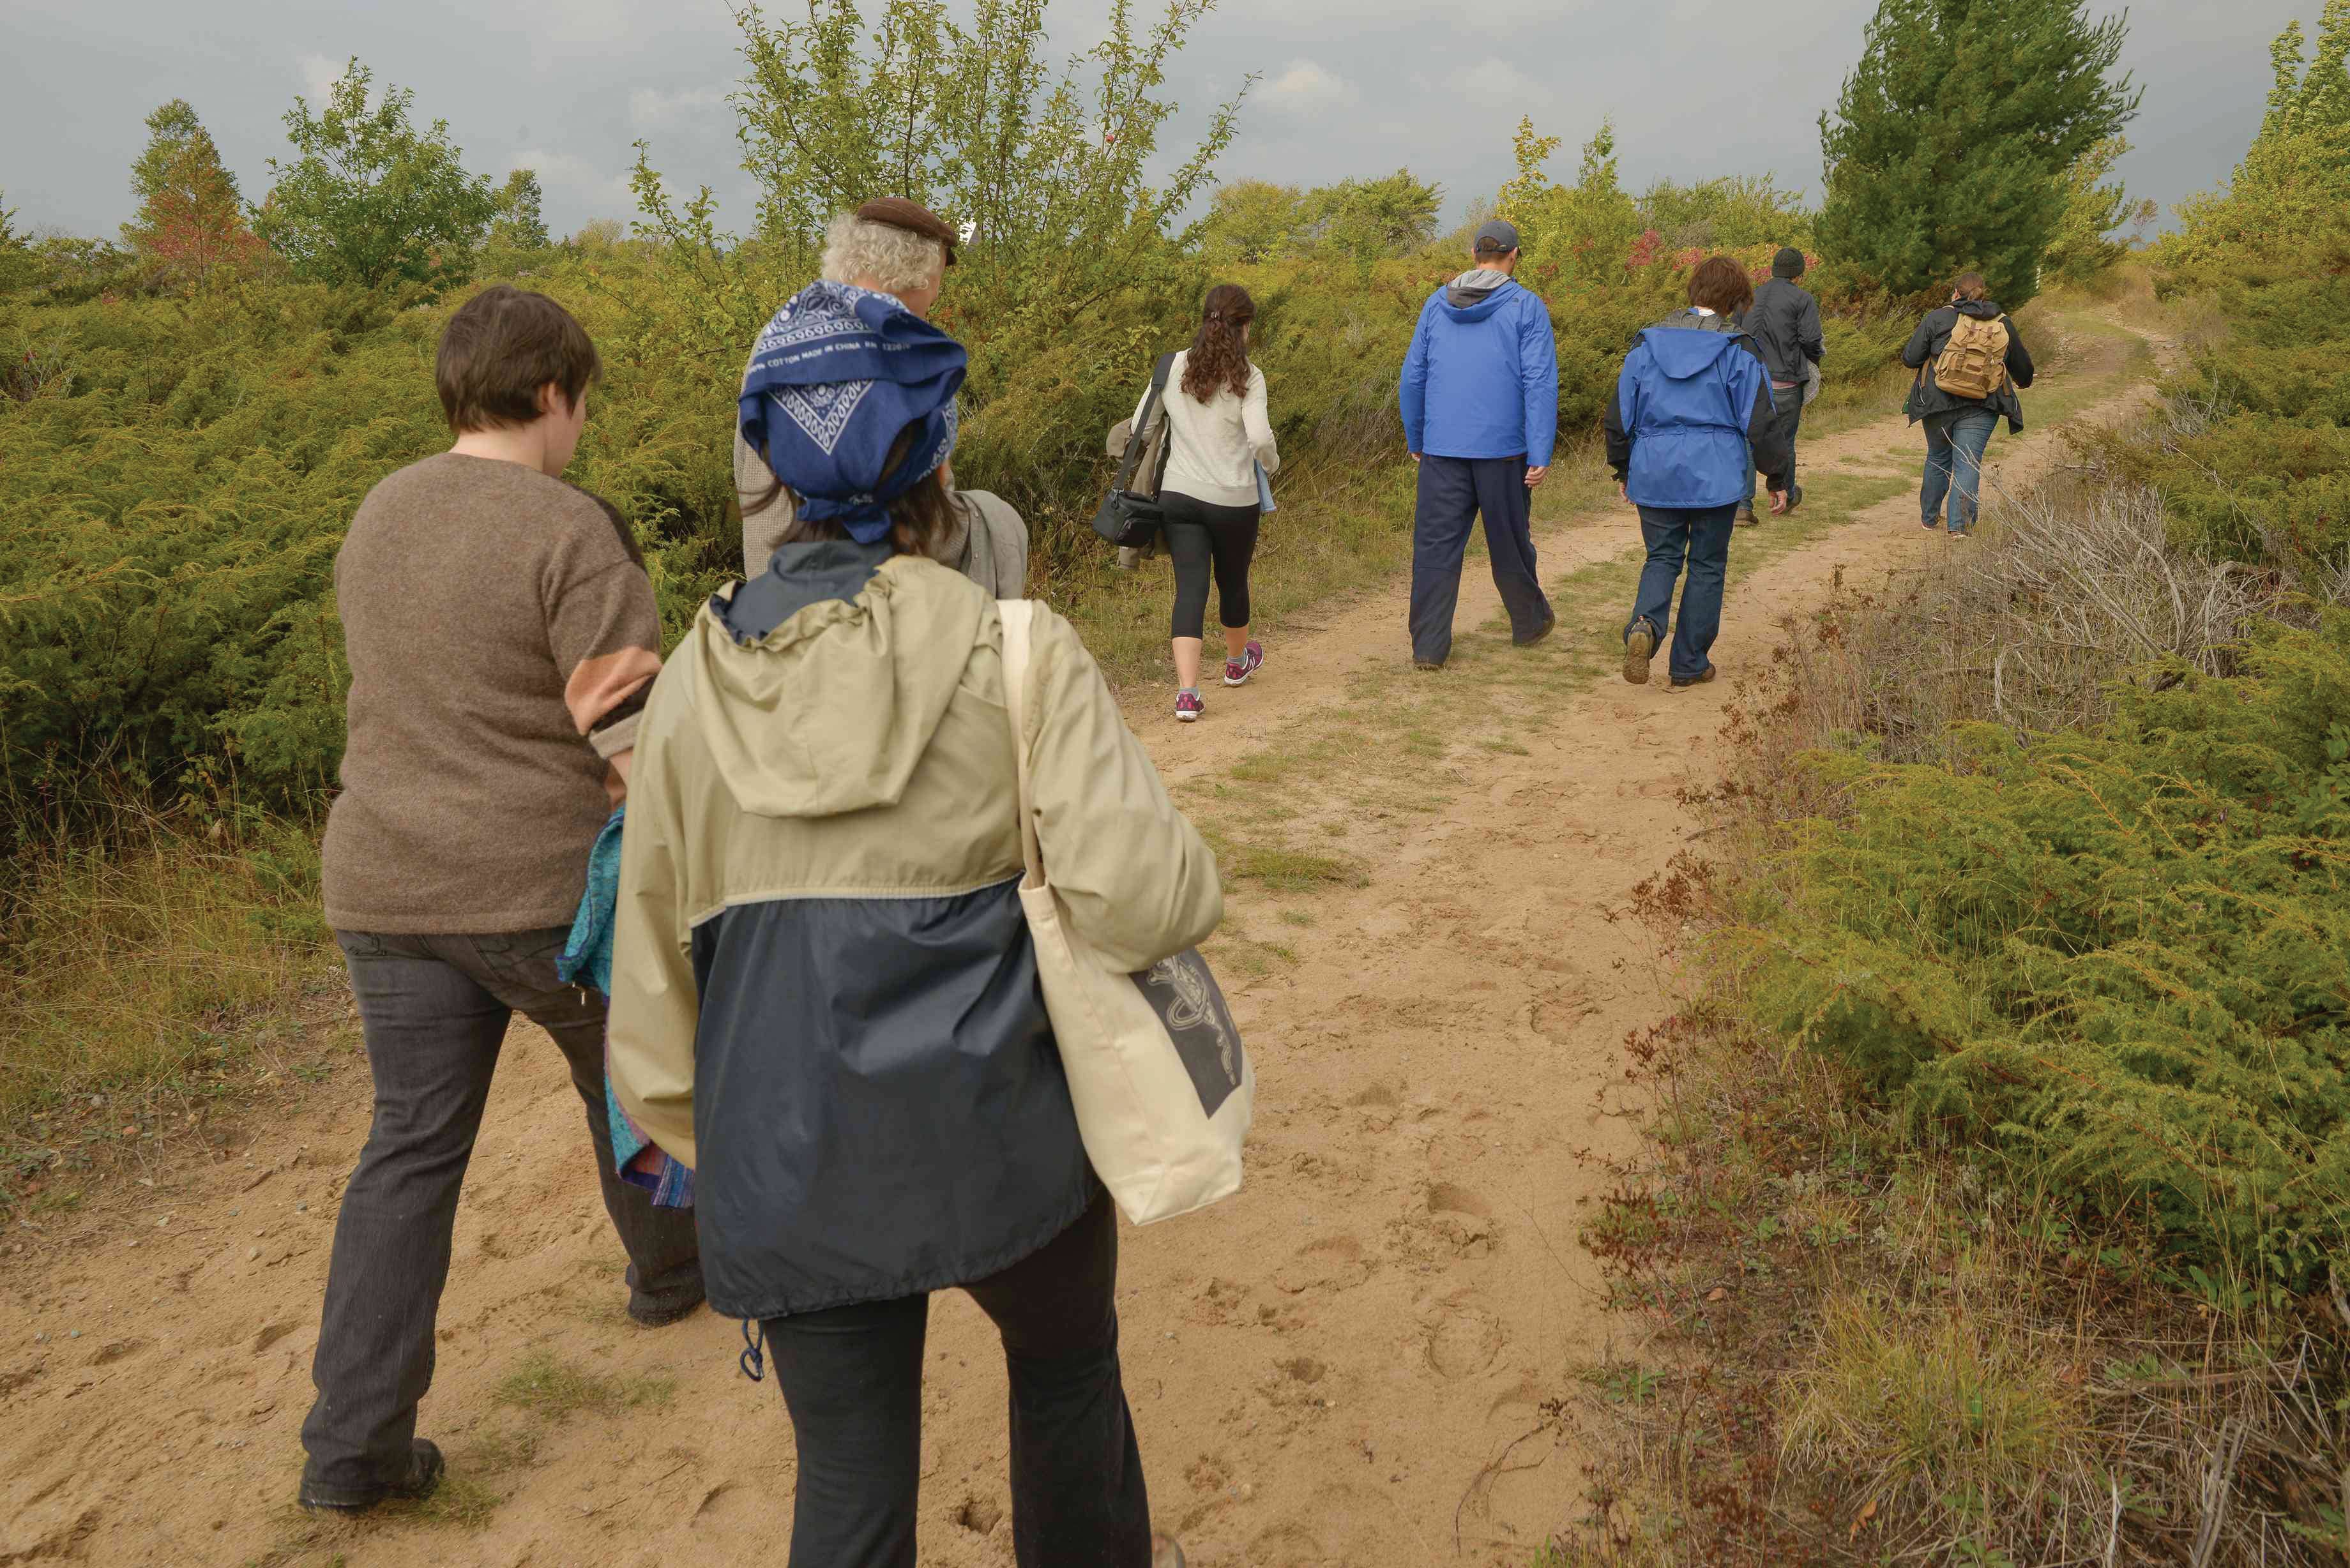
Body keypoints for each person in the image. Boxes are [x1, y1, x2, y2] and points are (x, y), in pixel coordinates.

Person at [609, 276, 1213, 1568]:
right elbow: (1148, 902)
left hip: (789, 1161)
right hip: (1012, 1151)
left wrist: (715, 1154)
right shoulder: (1017, 648)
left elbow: (653, 1011)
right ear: (936, 458)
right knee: (1065, 1386)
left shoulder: (681, 698)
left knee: (846, 1480)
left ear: (765, 462)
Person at [299, 286, 703, 1514]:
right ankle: (675, 1275)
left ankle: (351, 1450)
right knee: (637, 1075)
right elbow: (631, 731)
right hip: (537, 893)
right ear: (550, 395)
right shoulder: (566, 527)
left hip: (380, 880)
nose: (579, 426)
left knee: (408, 1151)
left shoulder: (379, 513)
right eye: (579, 403)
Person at [736, 197, 1027, 593]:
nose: (936, 296)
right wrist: (991, 521)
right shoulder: (908, 352)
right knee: (995, 517)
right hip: (880, 609)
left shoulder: (778, 337)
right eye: (940, 277)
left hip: (777, 592)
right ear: (920, 272)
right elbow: (928, 529)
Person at [1606, 257, 1793, 691]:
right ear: (1735, 301)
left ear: (1693, 293)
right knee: (1707, 565)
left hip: (1654, 469)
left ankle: (1645, 626)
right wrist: (1777, 477)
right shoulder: (1739, 350)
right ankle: (1689, 664)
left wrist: (1623, 468)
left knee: (1662, 557)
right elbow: (1762, 421)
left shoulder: (1645, 346)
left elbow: (1618, 418)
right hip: (1717, 474)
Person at [1397, 216, 1559, 670]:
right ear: (1514, 257)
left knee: (1434, 549)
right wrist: (1540, 451)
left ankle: (1428, 648)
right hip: (1505, 451)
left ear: (1473, 255)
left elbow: (1413, 377)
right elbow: (1540, 383)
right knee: (1509, 542)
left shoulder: (1435, 305)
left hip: (1442, 449)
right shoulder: (1526, 307)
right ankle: (1529, 624)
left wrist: (1417, 435)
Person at [1129, 283, 1279, 721]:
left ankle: (1188, 694)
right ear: (1245, 326)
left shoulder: (1173, 366)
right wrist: (1271, 465)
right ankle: (1235, 665)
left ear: (1205, 320)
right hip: (1234, 499)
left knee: (1190, 588)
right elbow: (1259, 438)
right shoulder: (1249, 376)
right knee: (1233, 581)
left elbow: (1142, 423)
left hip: (1180, 496)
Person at [1900, 271, 2036, 539]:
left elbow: (1910, 358)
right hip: (1982, 404)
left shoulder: (1937, 317)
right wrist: (2023, 381)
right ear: (1984, 292)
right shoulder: (2002, 322)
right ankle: (1959, 527)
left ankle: (1929, 518)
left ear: (1955, 293)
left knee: (1938, 457)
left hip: (1938, 401)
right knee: (1967, 463)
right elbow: (2023, 369)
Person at [1738, 246, 1823, 526]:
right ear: (1800, 274)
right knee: (1785, 440)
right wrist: (1812, 361)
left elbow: (1735, 336)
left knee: (1748, 442)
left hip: (1749, 383)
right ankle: (1783, 496)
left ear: (1773, 269)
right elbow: (1812, 340)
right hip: (1785, 383)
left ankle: (1742, 506)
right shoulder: (1803, 299)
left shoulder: (1748, 297)